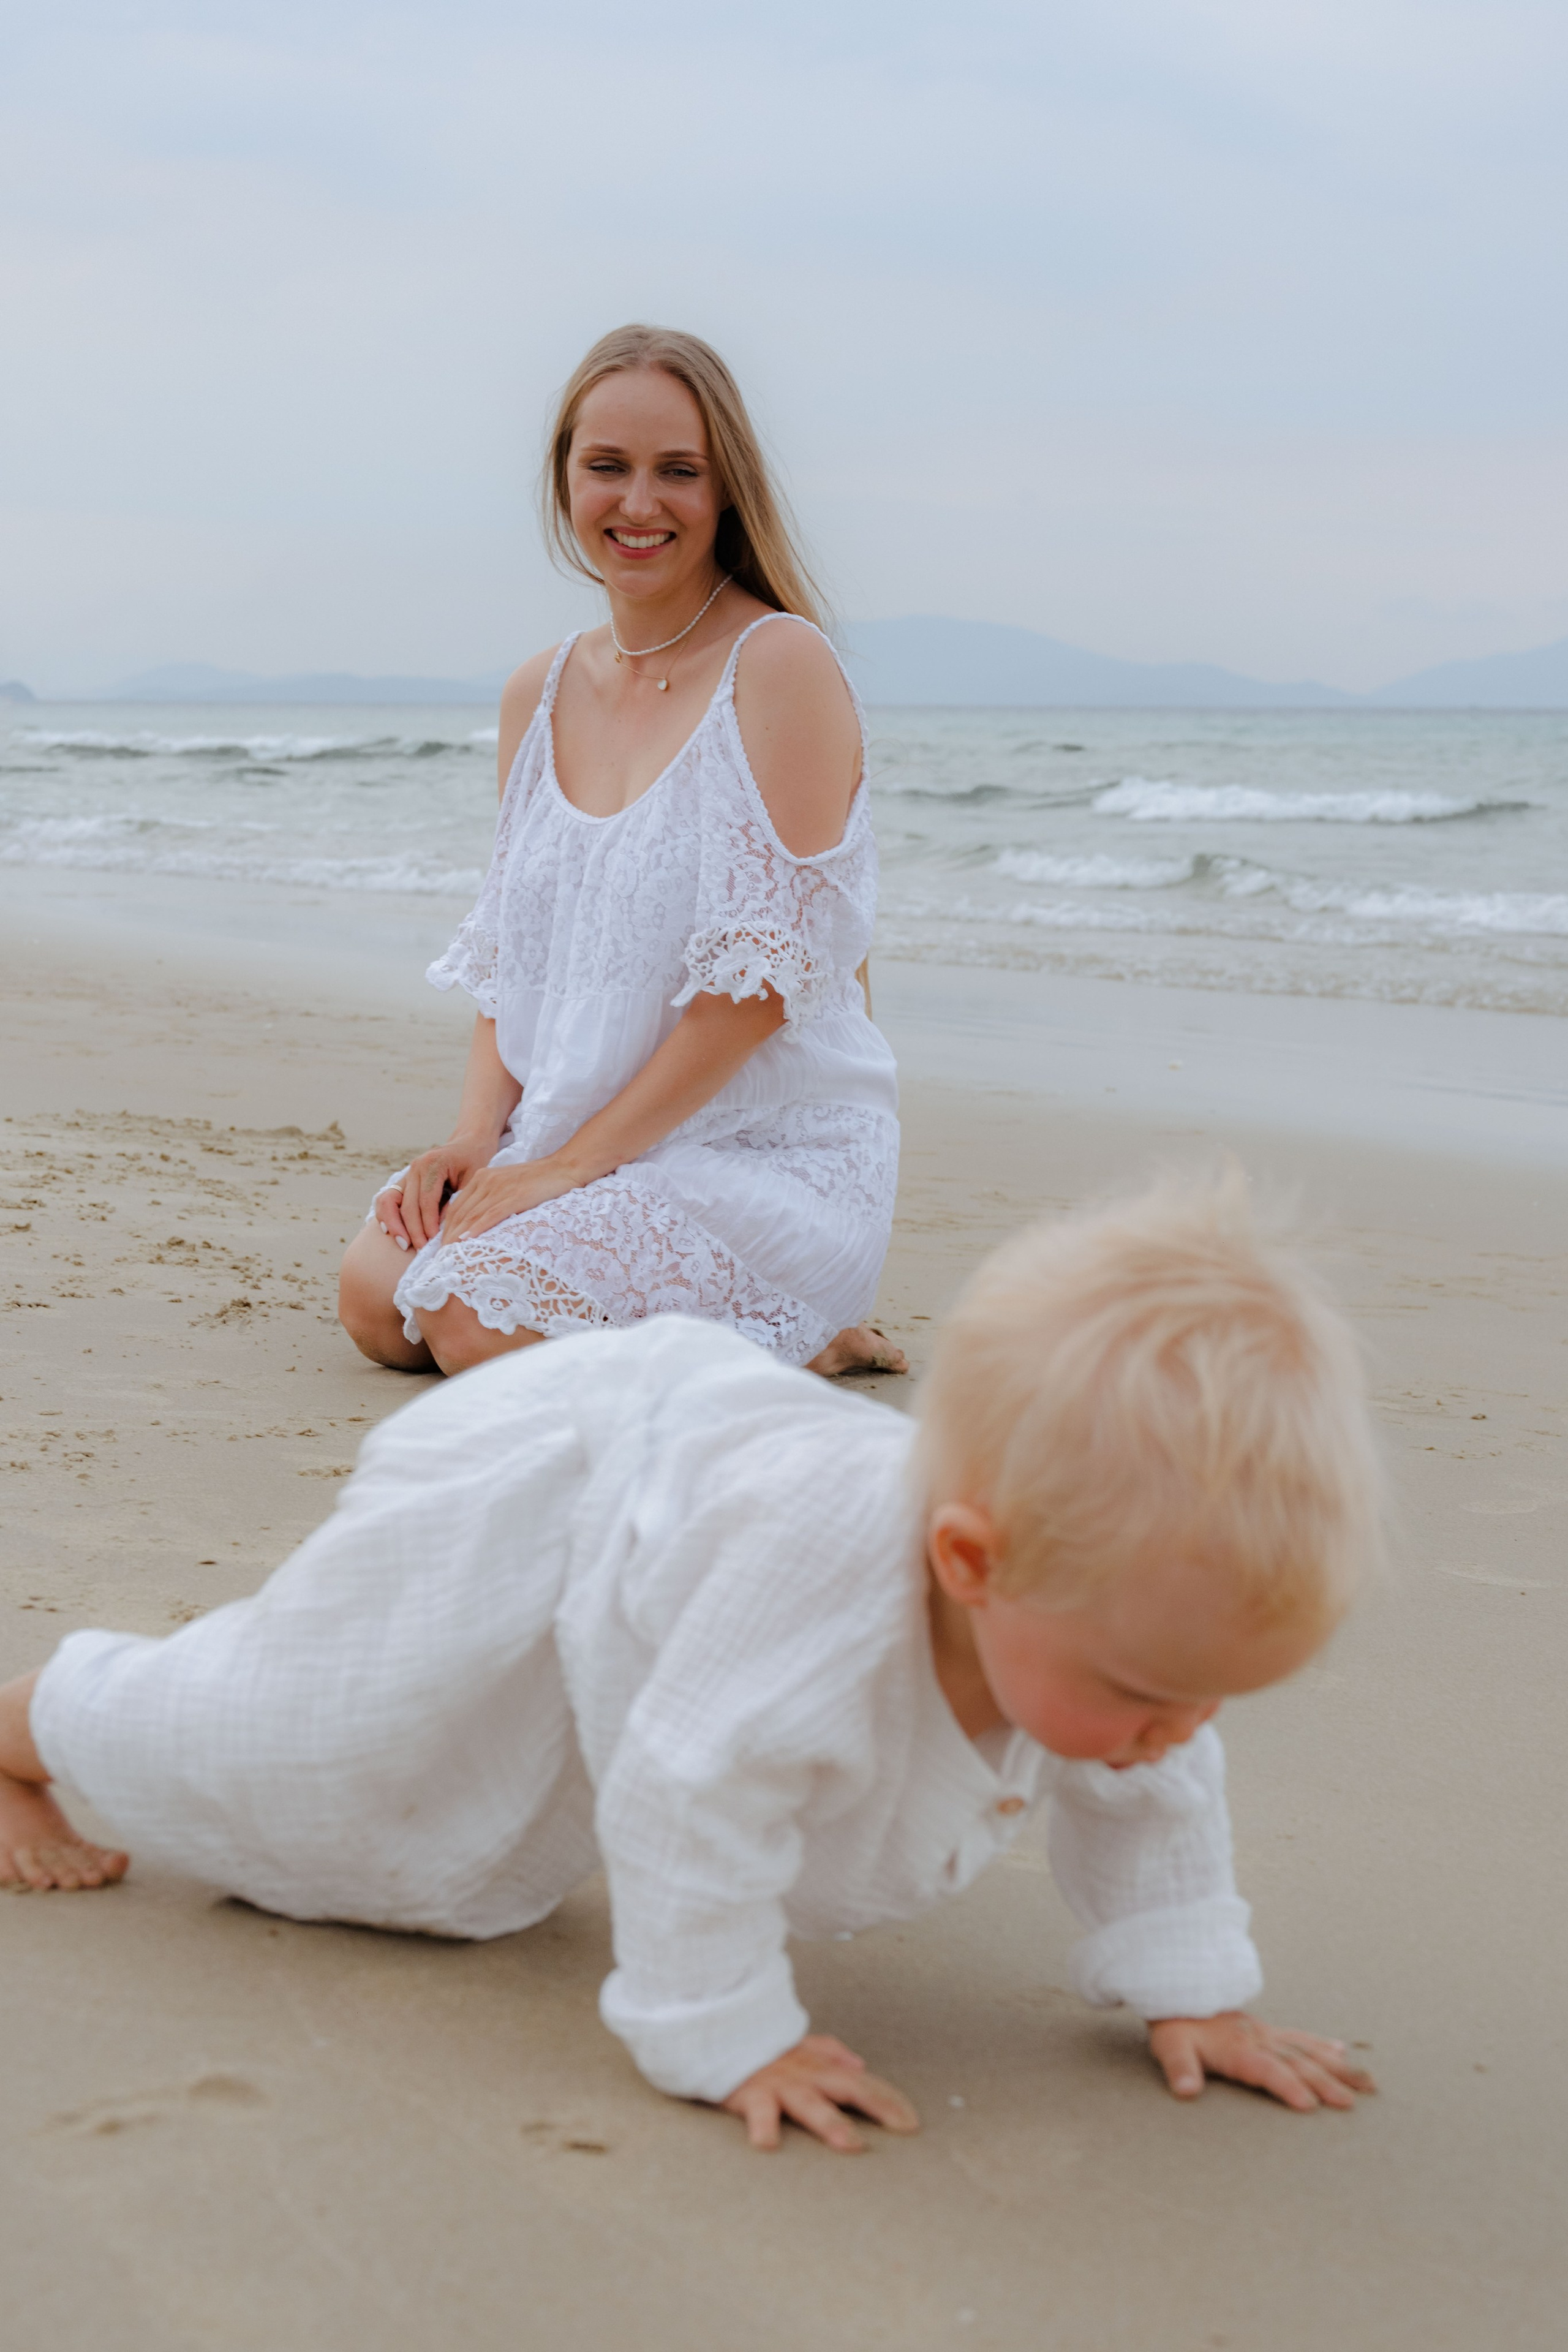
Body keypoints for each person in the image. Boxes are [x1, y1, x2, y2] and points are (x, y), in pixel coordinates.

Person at [0, 1174, 1380, 2149]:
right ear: (969, 1565)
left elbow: (1152, 1787)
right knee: (323, 1760)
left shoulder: (1117, 1623)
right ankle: (42, 1722)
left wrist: (1190, 1983)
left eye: (1206, 1697)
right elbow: (682, 1782)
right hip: (544, 1485)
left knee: (493, 1863)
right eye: (1146, 1699)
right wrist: (725, 2029)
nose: (1176, 1732)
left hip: (672, 1510)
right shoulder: (817, 1590)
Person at [337, 324, 903, 1382]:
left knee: (467, 1319)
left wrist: (571, 1167)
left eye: (677, 472)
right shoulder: (538, 692)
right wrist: (479, 1139)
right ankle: (710, 1319)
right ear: (564, 480)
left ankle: (797, 1335)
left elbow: (757, 995)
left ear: (726, 489)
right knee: (375, 1299)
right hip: (571, 1135)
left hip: (761, 1154)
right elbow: (516, 957)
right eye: (608, 467)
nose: (639, 504)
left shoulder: (777, 665)